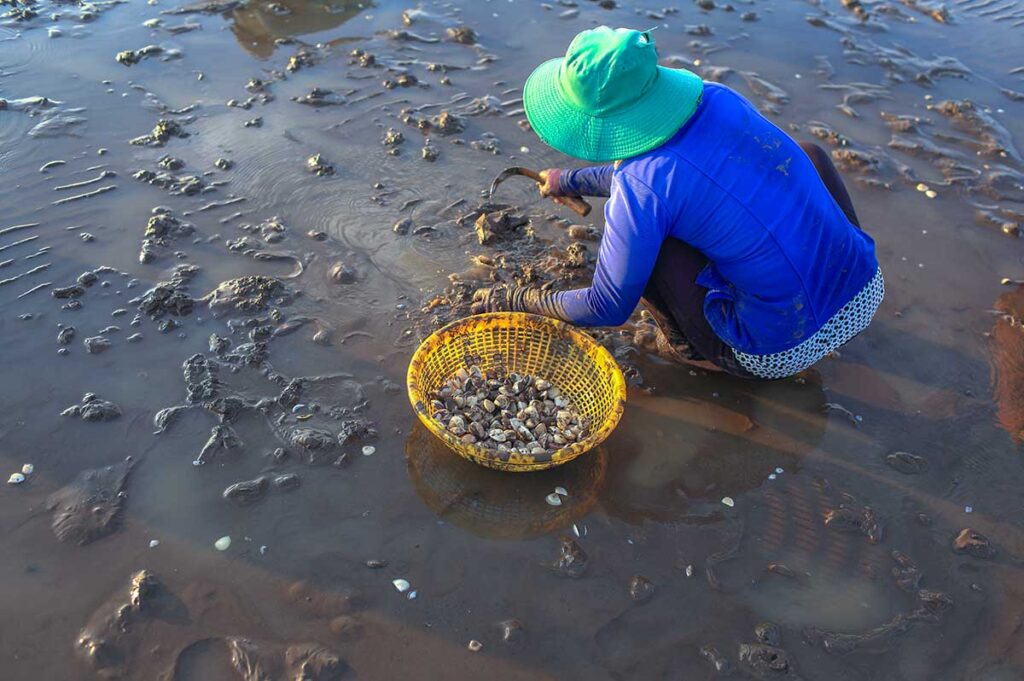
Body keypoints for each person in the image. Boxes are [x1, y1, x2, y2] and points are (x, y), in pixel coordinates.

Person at [471, 26, 883, 380]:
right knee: (807, 154)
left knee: (652, 249)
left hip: (778, 351)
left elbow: (607, 305)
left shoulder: (640, 187)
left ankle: (697, 354)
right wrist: (570, 179)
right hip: (863, 289)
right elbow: (676, 173)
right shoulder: (719, 97)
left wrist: (522, 300)